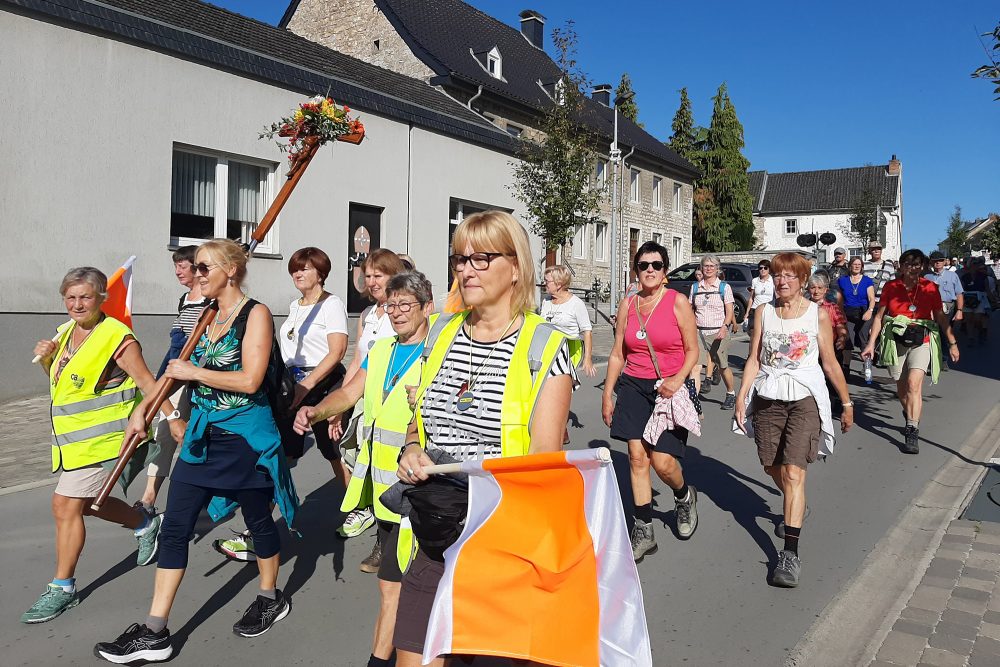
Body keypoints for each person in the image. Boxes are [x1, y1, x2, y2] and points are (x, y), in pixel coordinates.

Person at [94, 240, 298, 663]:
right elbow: (174, 372)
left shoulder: (255, 314)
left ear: (231, 270)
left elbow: (251, 380)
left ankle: (269, 596)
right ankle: (155, 631)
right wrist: (147, 412)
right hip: (203, 436)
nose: (197, 274)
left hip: (246, 438)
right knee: (175, 526)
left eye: (205, 268)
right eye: (197, 268)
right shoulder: (205, 314)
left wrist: (194, 371)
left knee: (259, 520)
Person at [393, 211, 576, 667]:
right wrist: (412, 448)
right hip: (436, 531)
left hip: (502, 540)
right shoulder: (440, 331)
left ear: (515, 267)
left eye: (481, 258)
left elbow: (542, 463)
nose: (465, 269)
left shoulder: (544, 347)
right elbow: (421, 420)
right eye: (459, 258)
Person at [23, 268, 182, 624]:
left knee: (64, 506)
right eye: (71, 297)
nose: (78, 304)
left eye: (86, 297)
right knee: (91, 506)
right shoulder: (66, 333)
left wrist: (172, 419)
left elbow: (148, 383)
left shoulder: (116, 337)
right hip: (72, 444)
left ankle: (62, 588)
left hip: (109, 441)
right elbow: (66, 386)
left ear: (101, 298)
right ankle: (144, 523)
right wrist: (48, 360)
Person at [294, 271, 433, 667]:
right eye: (391, 305)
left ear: (427, 308)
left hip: (419, 492)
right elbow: (351, 391)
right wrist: (317, 410)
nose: (397, 313)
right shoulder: (383, 349)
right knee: (394, 587)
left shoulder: (436, 353)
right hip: (386, 493)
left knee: (402, 588)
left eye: (406, 305)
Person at [214, 247, 348, 563]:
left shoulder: (332, 304)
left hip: (320, 384)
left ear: (321, 272)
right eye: (294, 270)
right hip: (291, 388)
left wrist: (307, 387)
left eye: (304, 268)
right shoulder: (294, 306)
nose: (298, 274)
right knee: (280, 456)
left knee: (332, 452)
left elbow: (337, 352)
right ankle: (257, 531)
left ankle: (359, 507)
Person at [734, 253, 854, 588]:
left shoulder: (817, 315)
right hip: (769, 396)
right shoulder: (763, 312)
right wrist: (742, 396)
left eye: (789, 276)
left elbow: (830, 362)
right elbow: (754, 359)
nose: (782, 281)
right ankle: (795, 505)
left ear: (803, 280)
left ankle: (789, 553)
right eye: (777, 275)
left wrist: (846, 402)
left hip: (804, 398)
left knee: (792, 470)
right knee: (771, 466)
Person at [604, 241, 700, 561]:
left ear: (665, 271)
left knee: (663, 462)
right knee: (636, 457)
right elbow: (619, 353)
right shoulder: (627, 305)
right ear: (636, 269)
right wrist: (608, 393)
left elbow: (692, 350)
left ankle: (684, 496)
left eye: (656, 265)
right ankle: (644, 527)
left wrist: (677, 379)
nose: (649, 270)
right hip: (633, 383)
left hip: (667, 389)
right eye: (643, 265)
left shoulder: (677, 302)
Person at [334, 249, 408, 572]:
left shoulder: (403, 311)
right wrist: (339, 405)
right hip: (368, 402)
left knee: (396, 473)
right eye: (368, 274)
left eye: (379, 274)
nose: (372, 280)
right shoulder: (366, 315)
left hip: (396, 403)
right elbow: (356, 361)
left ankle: (395, 541)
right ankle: (382, 536)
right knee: (370, 469)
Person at [863, 249, 960, 454]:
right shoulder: (892, 286)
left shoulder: (930, 287)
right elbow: (880, 317)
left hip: (922, 339)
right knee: (901, 385)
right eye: (908, 264)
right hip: (895, 340)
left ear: (923, 266)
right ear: (901, 266)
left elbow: (940, 316)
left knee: (914, 385)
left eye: (917, 264)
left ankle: (912, 429)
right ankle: (909, 412)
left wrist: (952, 342)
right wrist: (871, 343)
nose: (913, 268)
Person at [142, 246, 206, 512]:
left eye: (183, 265)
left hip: (196, 370)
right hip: (173, 368)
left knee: (192, 430)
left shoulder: (211, 300)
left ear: (197, 267)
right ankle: (148, 499)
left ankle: (202, 489)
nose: (178, 271)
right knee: (165, 430)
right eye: (176, 265)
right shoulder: (185, 299)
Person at [688, 255, 737, 408]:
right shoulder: (695, 287)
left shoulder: (724, 287)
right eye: (706, 266)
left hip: (718, 332)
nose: (708, 268)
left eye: (712, 266)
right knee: (695, 367)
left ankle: (730, 393)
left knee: (722, 366)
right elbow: (690, 309)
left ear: (717, 268)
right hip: (699, 332)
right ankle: (693, 402)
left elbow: (729, 311)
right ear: (701, 268)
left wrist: (724, 327)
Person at [541, 265, 596, 376]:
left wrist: (587, 358)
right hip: (547, 352)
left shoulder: (576, 303)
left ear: (559, 284)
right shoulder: (546, 301)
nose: (544, 283)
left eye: (547, 281)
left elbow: (587, 331)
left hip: (567, 354)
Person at [837, 257, 876, 377]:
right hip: (848, 312)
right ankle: (846, 367)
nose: (857, 266)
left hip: (864, 312)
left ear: (862, 267)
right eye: (854, 264)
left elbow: (872, 298)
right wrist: (841, 312)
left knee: (863, 338)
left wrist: (870, 310)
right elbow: (839, 299)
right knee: (848, 339)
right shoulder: (842, 280)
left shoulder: (867, 280)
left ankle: (867, 366)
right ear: (850, 266)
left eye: (859, 264)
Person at [960, 256, 991, 346]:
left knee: (978, 319)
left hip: (979, 298)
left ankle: (981, 331)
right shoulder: (964, 277)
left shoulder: (983, 276)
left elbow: (987, 289)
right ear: (969, 266)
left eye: (976, 264)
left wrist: (992, 300)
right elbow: (961, 289)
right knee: (969, 319)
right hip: (967, 298)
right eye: (973, 264)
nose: (975, 266)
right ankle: (971, 338)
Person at [747, 259, 774, 333]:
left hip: (768, 309)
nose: (763, 270)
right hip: (755, 308)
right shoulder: (755, 281)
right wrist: (747, 313)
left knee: (766, 332)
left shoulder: (773, 281)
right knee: (753, 332)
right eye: (760, 268)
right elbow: (751, 298)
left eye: (765, 268)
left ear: (769, 269)